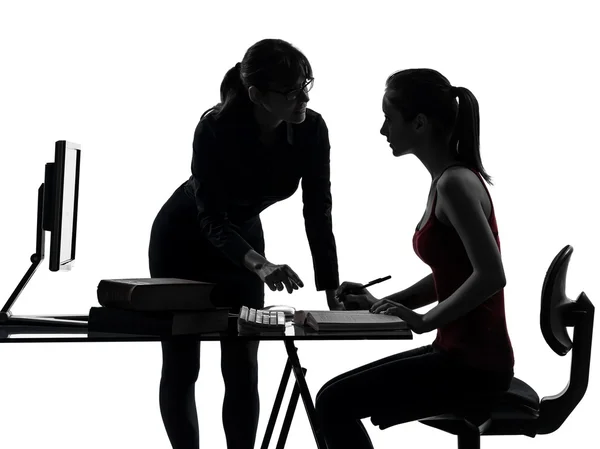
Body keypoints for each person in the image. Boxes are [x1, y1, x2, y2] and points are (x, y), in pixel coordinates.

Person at [148, 38, 341, 449]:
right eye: (290, 92)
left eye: (307, 85)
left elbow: (318, 209)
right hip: (183, 240)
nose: (303, 98)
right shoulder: (214, 128)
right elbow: (210, 219)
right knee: (182, 363)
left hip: (246, 243)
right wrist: (260, 264)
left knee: (242, 363)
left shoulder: (312, 129)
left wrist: (331, 287)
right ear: (256, 95)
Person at [315, 68, 515, 449]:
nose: (382, 129)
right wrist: (389, 304)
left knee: (332, 403)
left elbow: (490, 275)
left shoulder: (455, 183)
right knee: (331, 399)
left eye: (389, 117)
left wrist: (423, 320)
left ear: (419, 122)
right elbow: (453, 271)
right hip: (458, 354)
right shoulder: (446, 180)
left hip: (474, 368)